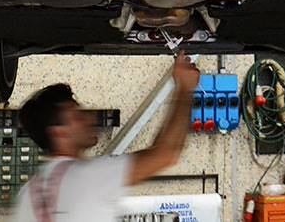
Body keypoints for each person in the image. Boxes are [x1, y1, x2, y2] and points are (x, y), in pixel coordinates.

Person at [13, 51, 201, 222]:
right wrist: (184, 89)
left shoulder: (27, 194)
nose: (89, 119)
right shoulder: (89, 176)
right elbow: (165, 154)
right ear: (58, 132)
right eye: (77, 116)